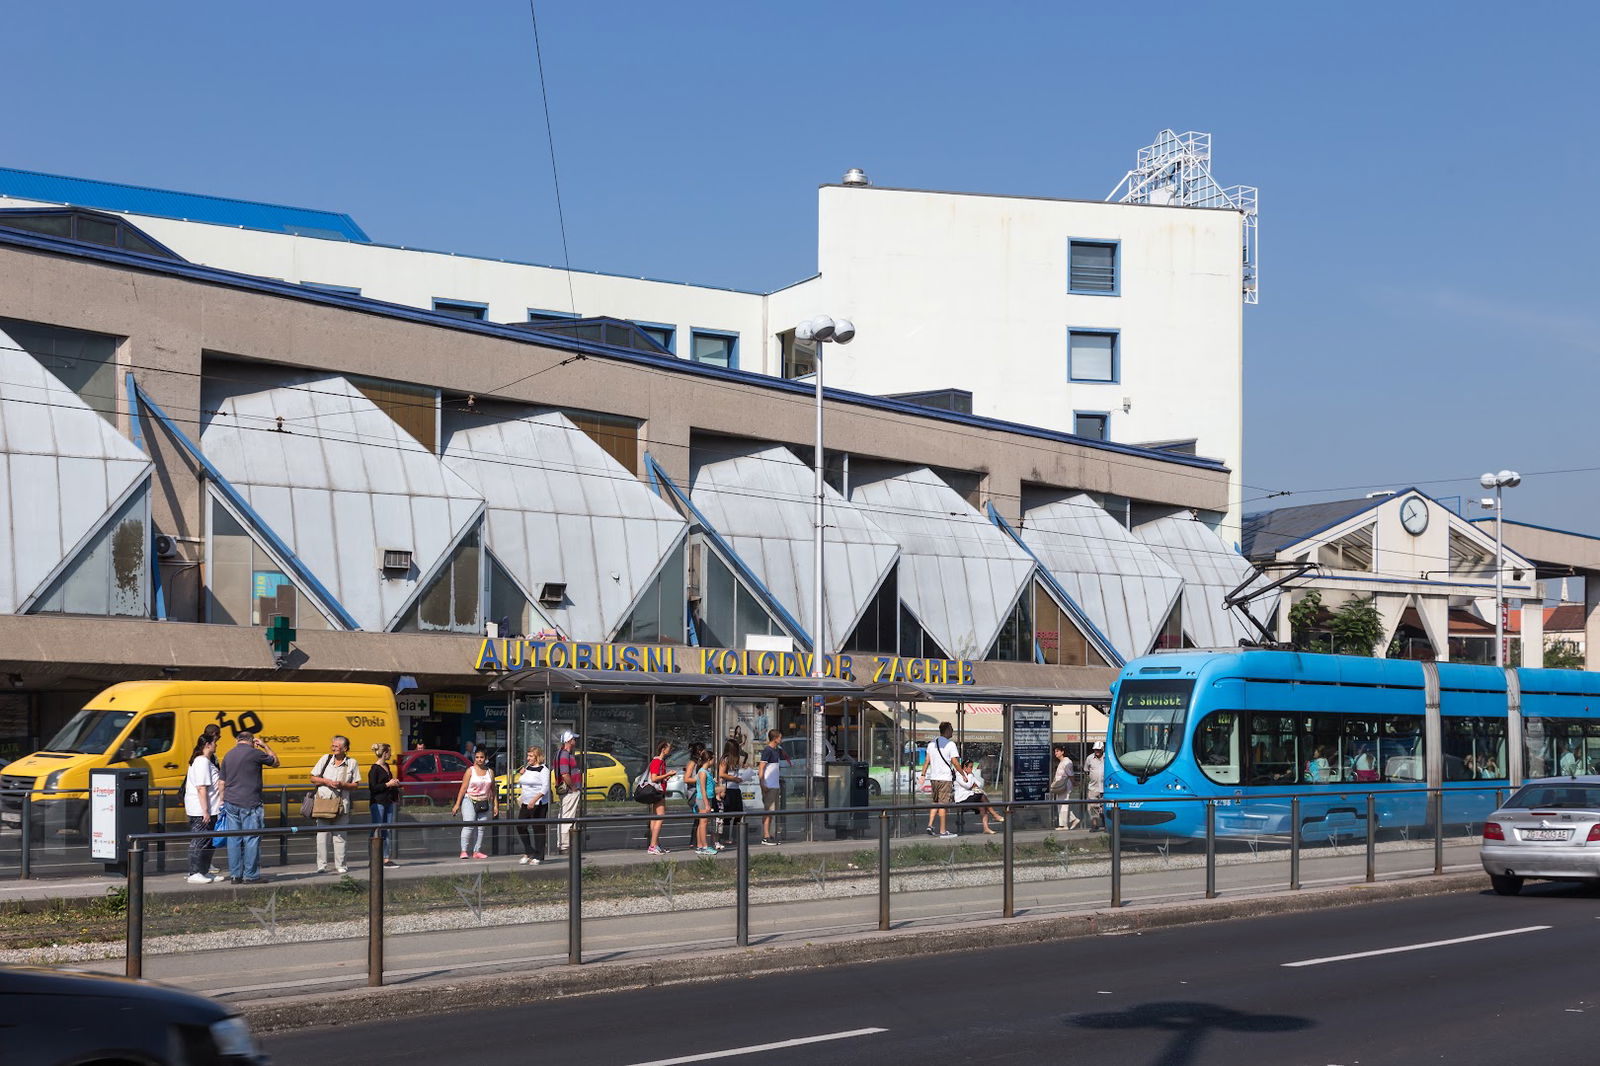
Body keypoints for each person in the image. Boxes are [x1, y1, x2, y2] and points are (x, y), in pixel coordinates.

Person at [219, 731, 278, 884]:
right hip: (250, 802)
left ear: (237, 740)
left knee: (234, 839)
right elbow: (276, 762)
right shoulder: (255, 753)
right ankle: (250, 876)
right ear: (252, 741)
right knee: (251, 838)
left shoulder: (228, 755)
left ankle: (235, 875)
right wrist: (265, 745)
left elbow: (221, 782)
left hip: (230, 802)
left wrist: (222, 801)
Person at [311, 735, 360, 874]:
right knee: (322, 836)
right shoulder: (325, 759)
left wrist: (342, 784)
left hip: (341, 805)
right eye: (332, 746)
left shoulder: (352, 763)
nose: (333, 748)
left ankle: (341, 865)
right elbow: (313, 778)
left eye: (336, 747)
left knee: (340, 836)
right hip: (323, 804)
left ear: (345, 748)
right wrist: (327, 782)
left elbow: (355, 785)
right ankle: (321, 865)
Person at [183, 735, 222, 884]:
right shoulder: (201, 762)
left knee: (208, 841)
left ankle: (204, 871)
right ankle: (194, 872)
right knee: (199, 840)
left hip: (210, 809)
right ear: (207, 745)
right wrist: (205, 811)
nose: (216, 746)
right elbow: (201, 787)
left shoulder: (204, 761)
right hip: (202, 810)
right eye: (215, 743)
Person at [452, 748, 497, 858]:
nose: (479, 759)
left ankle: (477, 851)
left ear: (486, 758)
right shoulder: (470, 771)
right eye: (477, 757)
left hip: (484, 801)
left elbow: (493, 789)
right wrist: (457, 804)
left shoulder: (490, 772)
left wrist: (495, 805)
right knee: (469, 824)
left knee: (481, 827)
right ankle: (464, 850)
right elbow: (463, 788)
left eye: (481, 757)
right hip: (470, 799)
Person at [919, 722, 960, 839]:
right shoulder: (950, 744)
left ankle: (930, 825)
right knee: (943, 805)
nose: (952, 731)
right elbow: (955, 762)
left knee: (935, 802)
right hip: (944, 779)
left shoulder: (932, 744)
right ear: (947, 730)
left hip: (934, 778)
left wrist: (923, 774)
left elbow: (927, 760)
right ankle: (943, 831)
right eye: (951, 729)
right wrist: (962, 773)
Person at [515, 745, 551, 865]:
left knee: (538, 828)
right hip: (526, 802)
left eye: (531, 756)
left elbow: (545, 788)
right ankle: (529, 850)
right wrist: (522, 774)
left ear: (537, 757)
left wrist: (534, 800)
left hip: (538, 803)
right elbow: (525, 782)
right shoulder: (528, 767)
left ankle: (539, 855)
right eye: (528, 755)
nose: (528, 758)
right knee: (520, 826)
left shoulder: (543, 770)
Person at [368, 742, 400, 867]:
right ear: (385, 753)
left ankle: (386, 858)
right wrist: (388, 784)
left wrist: (394, 784)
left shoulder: (387, 766)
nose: (391, 754)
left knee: (387, 830)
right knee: (377, 830)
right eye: (389, 752)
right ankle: (374, 858)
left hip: (388, 801)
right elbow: (373, 787)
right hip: (378, 802)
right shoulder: (374, 769)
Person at [953, 758, 1003, 833]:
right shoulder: (959, 774)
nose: (971, 769)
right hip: (961, 799)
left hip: (969, 796)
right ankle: (994, 814)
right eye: (970, 767)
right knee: (981, 795)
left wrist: (971, 779)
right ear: (965, 767)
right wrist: (970, 776)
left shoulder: (970, 775)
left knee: (983, 806)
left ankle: (986, 828)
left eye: (972, 767)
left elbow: (979, 784)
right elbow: (968, 786)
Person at [554, 731, 583, 855]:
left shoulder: (559, 754)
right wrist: (573, 787)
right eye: (574, 739)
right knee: (568, 816)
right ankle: (564, 845)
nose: (575, 742)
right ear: (569, 740)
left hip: (567, 790)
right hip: (569, 791)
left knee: (565, 815)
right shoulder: (565, 755)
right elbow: (565, 773)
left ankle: (564, 843)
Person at [759, 729, 788, 846]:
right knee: (768, 810)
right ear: (775, 738)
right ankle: (765, 836)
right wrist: (762, 783)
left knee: (772, 811)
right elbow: (761, 767)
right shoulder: (767, 751)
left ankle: (769, 833)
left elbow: (786, 757)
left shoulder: (776, 750)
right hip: (769, 785)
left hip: (775, 785)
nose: (781, 739)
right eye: (780, 737)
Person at [715, 738, 746, 848]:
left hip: (736, 789)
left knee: (739, 813)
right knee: (727, 816)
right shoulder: (725, 759)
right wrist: (734, 778)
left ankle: (735, 836)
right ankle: (725, 837)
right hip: (728, 790)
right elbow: (722, 774)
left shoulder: (736, 759)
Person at [645, 739, 672, 855]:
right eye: (668, 748)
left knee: (655, 818)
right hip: (657, 792)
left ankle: (655, 844)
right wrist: (668, 774)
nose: (669, 750)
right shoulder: (657, 761)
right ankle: (652, 845)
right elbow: (654, 778)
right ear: (663, 749)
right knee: (660, 817)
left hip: (658, 790)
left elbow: (658, 777)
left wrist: (665, 778)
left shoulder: (661, 762)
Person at [690, 743, 717, 856]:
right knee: (703, 823)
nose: (714, 762)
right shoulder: (702, 772)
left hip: (706, 798)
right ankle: (704, 846)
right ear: (709, 760)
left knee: (703, 822)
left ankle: (701, 846)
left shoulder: (706, 772)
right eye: (713, 760)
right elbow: (702, 789)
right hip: (703, 800)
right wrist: (706, 804)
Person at [1050, 744, 1078, 829]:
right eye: (1055, 751)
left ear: (1062, 752)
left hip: (1065, 786)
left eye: (1057, 751)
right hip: (1061, 786)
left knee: (1063, 805)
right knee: (1061, 804)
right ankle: (1073, 819)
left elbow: (1070, 774)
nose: (1056, 753)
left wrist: (1074, 783)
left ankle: (1064, 825)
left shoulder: (1066, 762)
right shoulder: (1062, 762)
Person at [1086, 742, 1106, 832]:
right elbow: (1086, 770)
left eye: (1098, 749)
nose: (1096, 751)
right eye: (1095, 749)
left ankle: (1106, 825)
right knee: (1092, 807)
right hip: (1093, 787)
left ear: (1102, 749)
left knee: (1104, 807)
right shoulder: (1090, 758)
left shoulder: (1107, 757)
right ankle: (1094, 825)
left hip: (1105, 787)